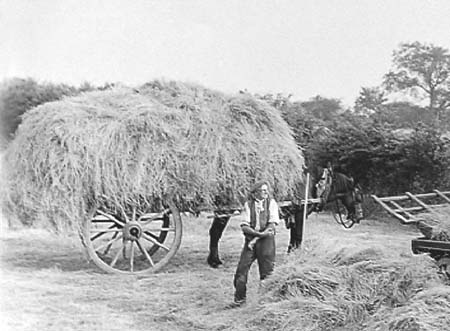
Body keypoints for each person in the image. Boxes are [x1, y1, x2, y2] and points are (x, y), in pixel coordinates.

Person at [230, 181, 280, 307]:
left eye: (266, 190)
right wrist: (258, 235)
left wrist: (259, 237)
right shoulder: (248, 205)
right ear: (255, 193)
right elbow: (245, 227)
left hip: (266, 243)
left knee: (267, 274)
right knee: (241, 271)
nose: (266, 193)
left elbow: (272, 225)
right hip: (251, 242)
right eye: (263, 190)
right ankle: (239, 301)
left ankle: (264, 302)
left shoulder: (272, 203)